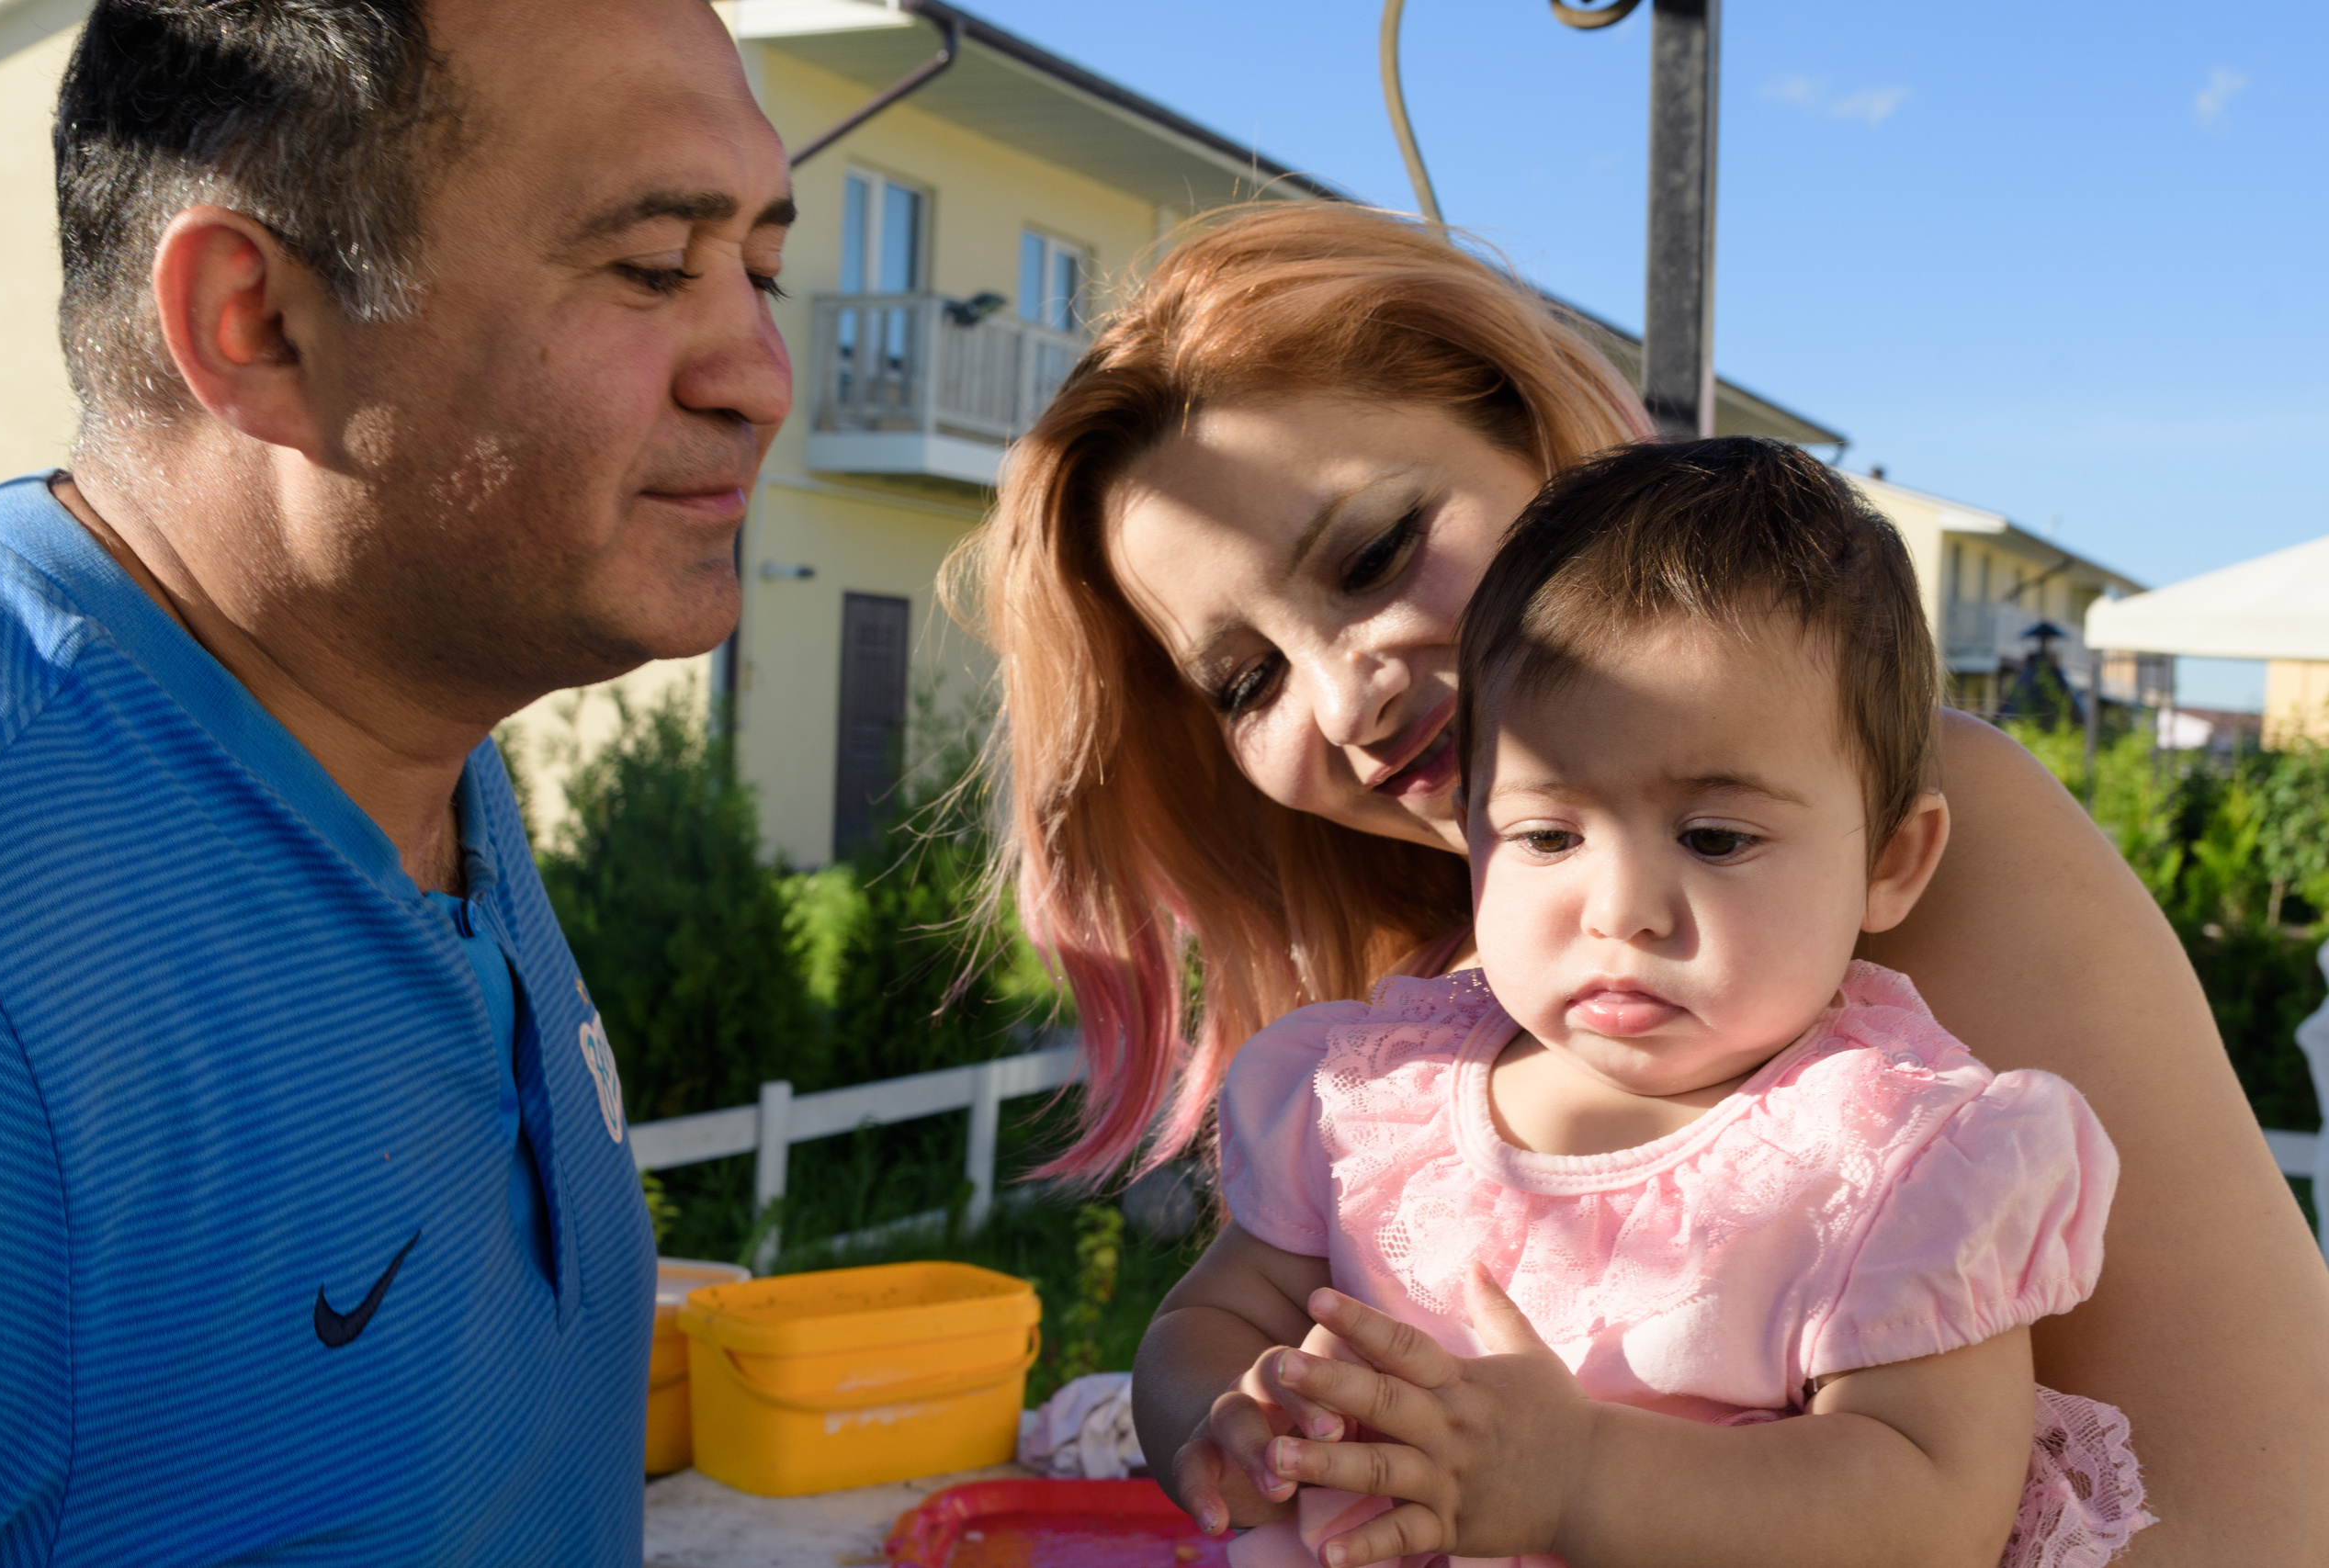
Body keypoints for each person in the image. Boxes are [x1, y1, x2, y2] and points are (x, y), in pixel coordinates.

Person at [953, 201, 2329, 1559]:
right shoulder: (1413, 1043)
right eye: (1246, 679)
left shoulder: (1908, 871)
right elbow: (1235, 1326)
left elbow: (2251, 1495)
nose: (1345, 692)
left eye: (1373, 553)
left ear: (1541, 444)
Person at [0, 0, 793, 1560]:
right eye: (650, 267)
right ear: (256, 324)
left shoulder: (403, 733)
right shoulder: (11, 920)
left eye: (760, 267)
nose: (761, 377)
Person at [1202, 436, 2144, 1568]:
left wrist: (1582, 1478)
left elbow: (1927, 1503)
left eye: (1713, 837)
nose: (1622, 910)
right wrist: (1227, 1418)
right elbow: (1216, 1318)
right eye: (1546, 835)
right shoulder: (1372, 1097)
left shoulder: (1895, 1157)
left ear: (1891, 861)